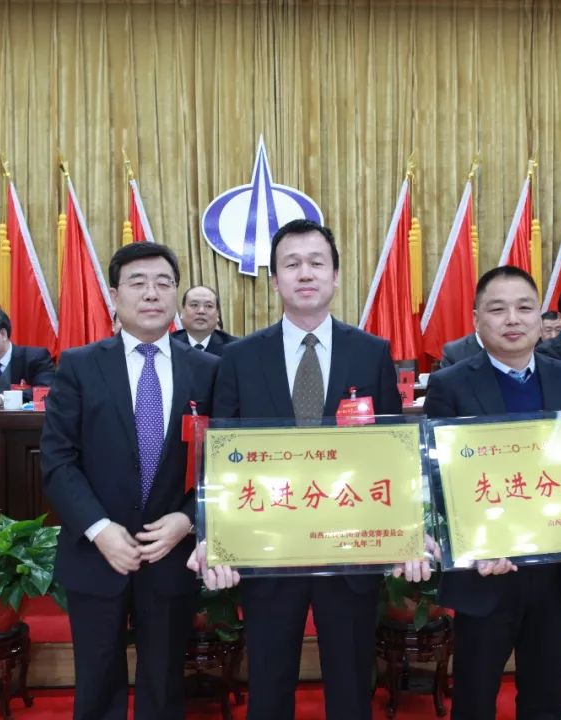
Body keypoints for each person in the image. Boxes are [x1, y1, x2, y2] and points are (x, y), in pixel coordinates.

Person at [188, 218, 406, 720]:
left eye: (316, 263)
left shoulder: (371, 352)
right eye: (291, 264)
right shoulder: (239, 358)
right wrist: (213, 534)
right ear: (275, 279)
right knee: (268, 682)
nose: (304, 273)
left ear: (335, 275)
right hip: (267, 546)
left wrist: (403, 536)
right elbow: (219, 457)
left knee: (352, 683)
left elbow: (391, 453)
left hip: (350, 548)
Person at [424, 265, 561, 720]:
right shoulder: (450, 383)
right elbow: (438, 478)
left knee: (545, 696)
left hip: (556, 569)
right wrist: (472, 543)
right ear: (477, 319)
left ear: (541, 319)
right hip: (487, 570)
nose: (512, 319)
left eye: (524, 308)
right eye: (497, 309)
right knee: (475, 696)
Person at [40, 242, 218, 720]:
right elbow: (57, 460)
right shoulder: (79, 364)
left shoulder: (208, 370)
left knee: (165, 681)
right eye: (138, 283)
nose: (151, 293)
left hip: (172, 552)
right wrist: (99, 530)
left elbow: (223, 461)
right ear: (114, 295)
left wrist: (188, 519)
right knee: (97, 679)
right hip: (97, 552)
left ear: (176, 295)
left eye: (163, 283)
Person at [171, 285, 238, 356]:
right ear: (182, 312)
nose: (201, 311)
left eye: (209, 306)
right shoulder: (168, 343)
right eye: (194, 305)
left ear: (217, 314)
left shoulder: (235, 348)